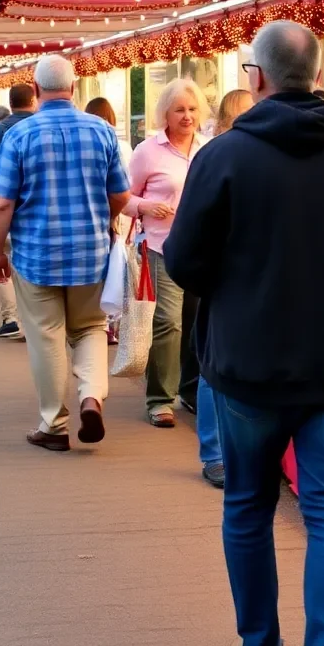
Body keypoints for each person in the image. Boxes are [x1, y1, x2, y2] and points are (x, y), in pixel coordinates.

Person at [163, 21, 324, 646]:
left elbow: (185, 262)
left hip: (248, 365)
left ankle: (261, 641)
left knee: (248, 506)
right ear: (320, 76)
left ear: (257, 78)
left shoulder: (221, 155)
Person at [0, 55, 130, 451]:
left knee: (46, 336)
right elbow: (120, 194)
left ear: (35, 90)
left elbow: (0, 205)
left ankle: (53, 425)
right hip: (91, 253)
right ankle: (91, 398)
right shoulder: (102, 131)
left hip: (37, 254)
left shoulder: (19, 135)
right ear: (75, 87)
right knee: (90, 329)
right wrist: (104, 219)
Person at [122, 78, 209, 428]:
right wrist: (146, 205)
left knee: (197, 322)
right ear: (165, 114)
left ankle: (191, 391)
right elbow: (123, 198)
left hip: (203, 249)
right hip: (161, 247)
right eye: (179, 110)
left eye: (192, 109)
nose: (187, 116)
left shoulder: (209, 147)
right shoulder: (149, 151)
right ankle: (160, 399)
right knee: (168, 323)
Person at [189, 87, 254, 489]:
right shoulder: (216, 156)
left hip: (239, 281)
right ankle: (215, 453)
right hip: (225, 281)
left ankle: (226, 453)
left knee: (221, 367)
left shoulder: (223, 154)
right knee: (214, 369)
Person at [0, 85, 36, 339]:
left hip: (2, 208)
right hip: (35, 211)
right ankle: (32, 319)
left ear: (10, 103)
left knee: (3, 262)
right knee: (28, 267)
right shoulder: (40, 127)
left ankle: (11, 317)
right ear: (33, 99)